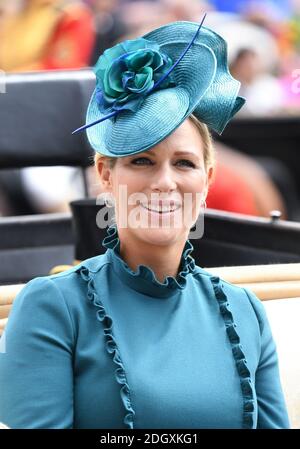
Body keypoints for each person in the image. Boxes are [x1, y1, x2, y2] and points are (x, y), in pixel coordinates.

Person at [0, 18, 290, 429]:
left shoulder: (246, 311)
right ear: (105, 174)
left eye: (184, 163)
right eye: (141, 160)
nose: (165, 182)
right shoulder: (52, 307)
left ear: (206, 180)